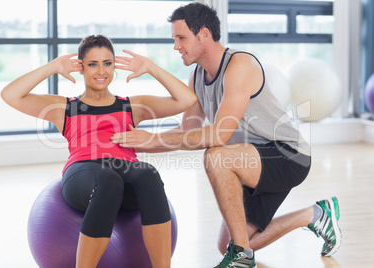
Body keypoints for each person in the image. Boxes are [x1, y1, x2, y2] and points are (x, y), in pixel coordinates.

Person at [111, 3, 342, 268]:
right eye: (174, 39)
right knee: (230, 243)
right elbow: (188, 131)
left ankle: (242, 257)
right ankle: (316, 214)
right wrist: (131, 144)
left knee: (217, 157)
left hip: (288, 154)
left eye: (181, 38)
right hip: (247, 160)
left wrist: (150, 140)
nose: (176, 46)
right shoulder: (196, 76)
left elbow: (219, 134)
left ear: (204, 34)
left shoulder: (239, 64)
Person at [1, 34, 197, 268]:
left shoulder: (131, 106)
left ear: (114, 66)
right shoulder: (64, 107)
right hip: (83, 174)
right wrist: (53, 66)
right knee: (108, 179)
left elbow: (187, 99)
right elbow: (9, 95)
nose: (101, 71)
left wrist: (151, 67)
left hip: (125, 173)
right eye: (92, 64)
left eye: (107, 63)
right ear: (81, 68)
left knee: (148, 173)